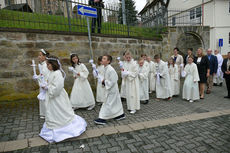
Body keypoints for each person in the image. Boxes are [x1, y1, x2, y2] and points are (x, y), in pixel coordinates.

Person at [39, 56, 87, 143]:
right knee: (53, 112)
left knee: (61, 111)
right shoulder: (51, 72)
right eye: (47, 64)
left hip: (57, 97)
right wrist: (44, 84)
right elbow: (49, 82)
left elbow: (57, 88)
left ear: (53, 64)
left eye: (48, 64)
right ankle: (54, 125)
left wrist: (47, 87)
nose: (47, 66)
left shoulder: (57, 73)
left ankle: (63, 128)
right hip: (52, 97)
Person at [94, 55, 125, 125]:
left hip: (112, 89)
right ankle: (120, 115)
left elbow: (114, 80)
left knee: (107, 103)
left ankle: (102, 117)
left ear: (108, 61)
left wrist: (104, 82)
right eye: (102, 58)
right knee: (116, 103)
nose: (102, 59)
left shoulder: (111, 69)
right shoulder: (105, 68)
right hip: (110, 89)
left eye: (104, 58)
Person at [33, 49, 50, 119]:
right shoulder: (42, 64)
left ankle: (48, 113)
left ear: (45, 56)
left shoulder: (47, 64)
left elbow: (47, 75)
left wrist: (45, 83)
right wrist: (37, 76)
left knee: (47, 98)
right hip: (42, 84)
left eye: (40, 55)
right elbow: (42, 74)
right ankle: (44, 112)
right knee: (43, 98)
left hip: (46, 85)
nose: (38, 57)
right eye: (38, 55)